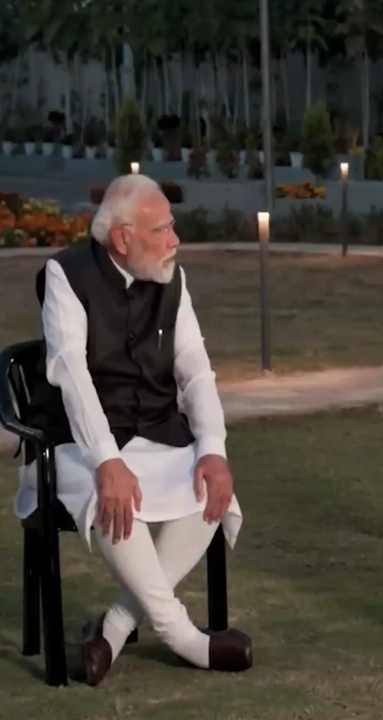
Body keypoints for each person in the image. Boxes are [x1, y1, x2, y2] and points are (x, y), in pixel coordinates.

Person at [13, 174, 251, 686]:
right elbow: (71, 373)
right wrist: (106, 460)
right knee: (113, 496)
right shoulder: (65, 274)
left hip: (154, 431)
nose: (174, 240)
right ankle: (184, 638)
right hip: (74, 442)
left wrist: (213, 447)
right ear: (122, 239)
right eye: (161, 230)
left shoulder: (172, 278)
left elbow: (194, 367)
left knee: (210, 487)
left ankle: (115, 628)